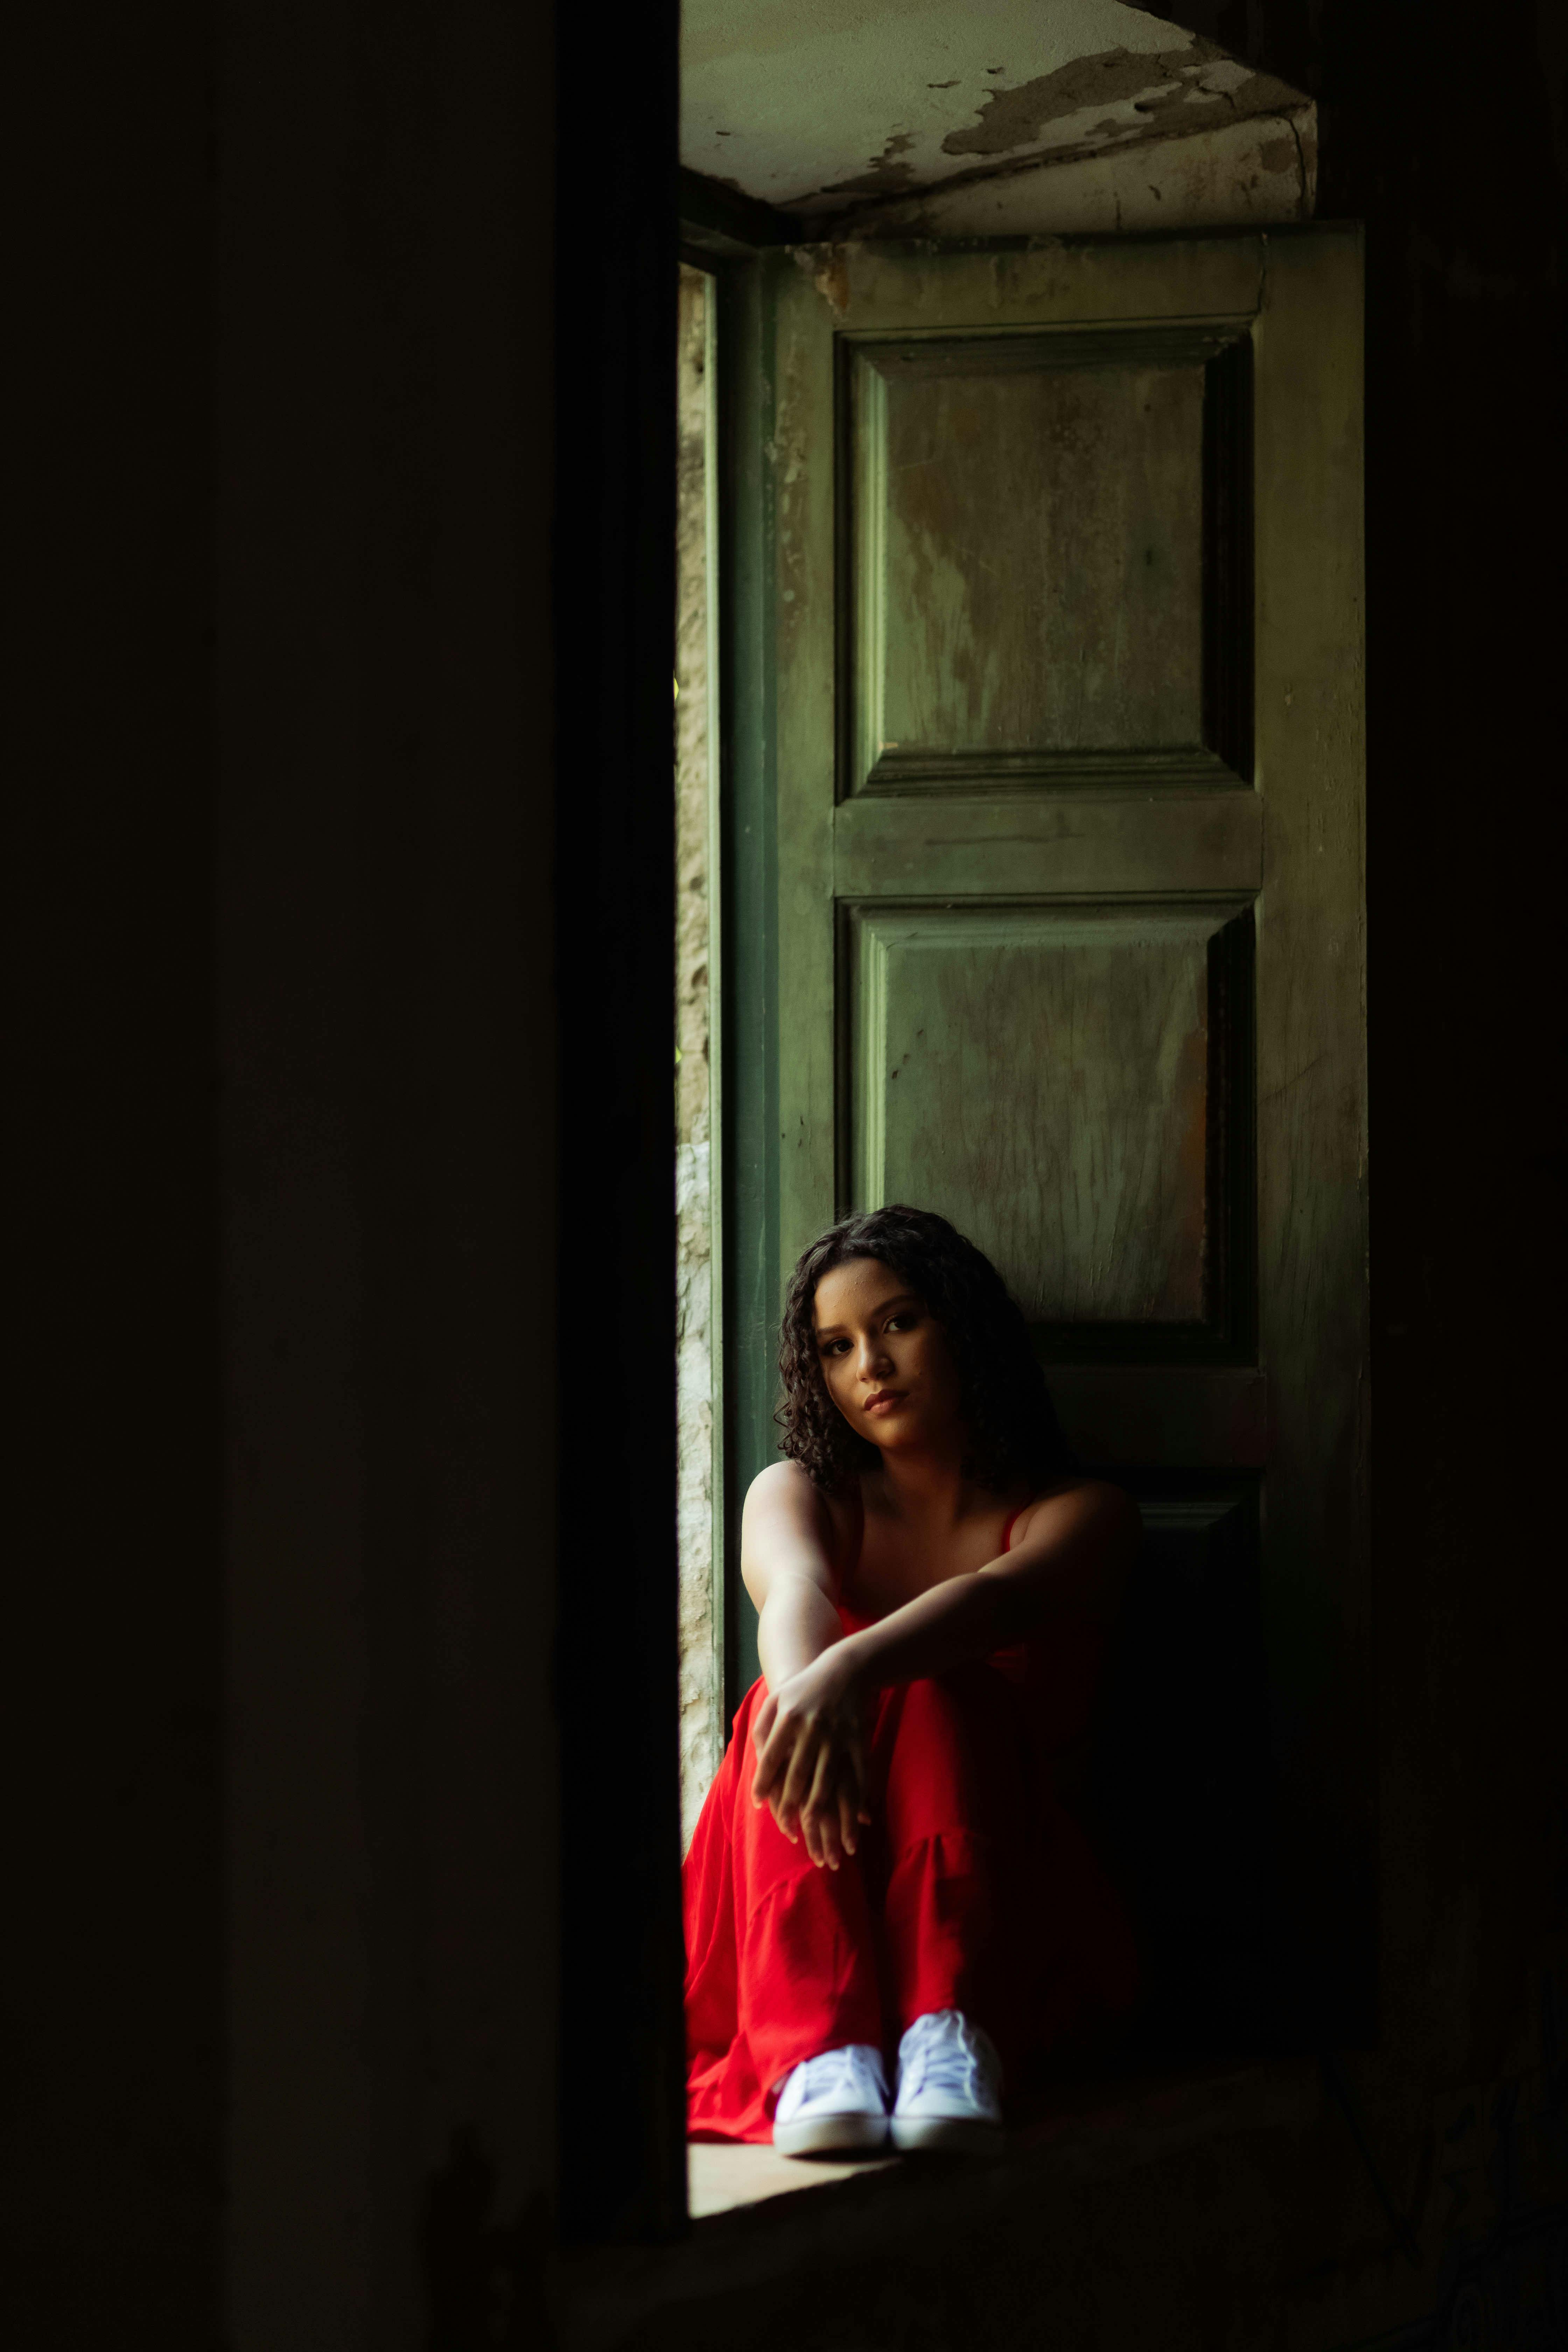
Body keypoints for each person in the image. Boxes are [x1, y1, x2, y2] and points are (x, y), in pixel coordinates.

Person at [683, 1205, 1141, 2158]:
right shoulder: (800, 1493)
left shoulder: (1083, 1515)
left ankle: (948, 2029)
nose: (870, 1368)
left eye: (897, 1324)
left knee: (939, 1685)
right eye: (836, 1347)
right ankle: (820, 2047)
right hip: (809, 1887)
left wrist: (853, 1667)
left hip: (1007, 1915)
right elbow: (794, 1591)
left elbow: (996, 1603)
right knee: (785, 1695)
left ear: (964, 1326)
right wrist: (822, 1684)